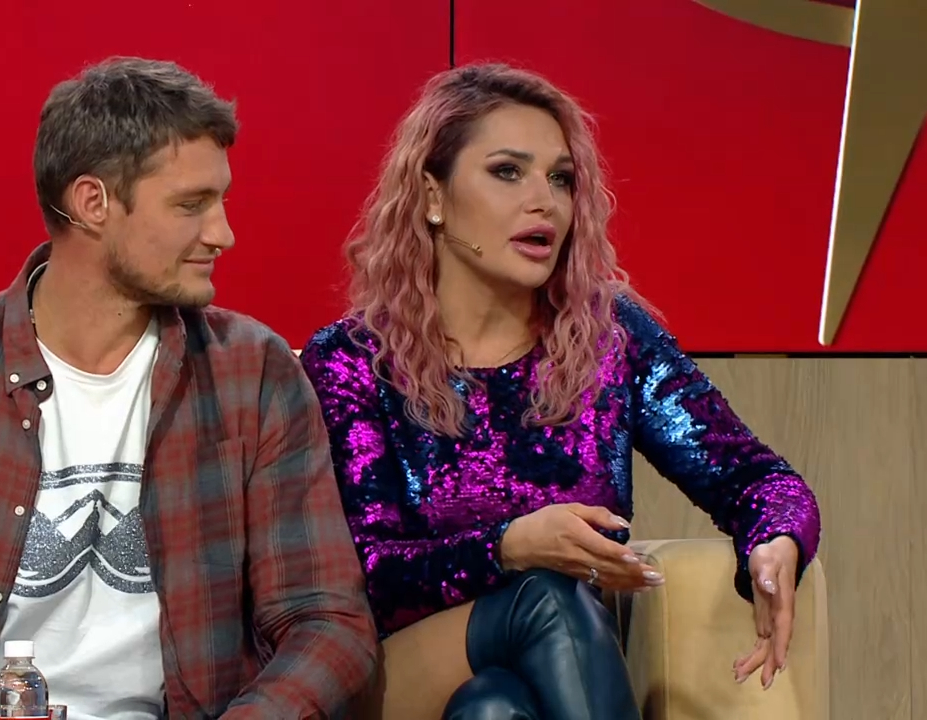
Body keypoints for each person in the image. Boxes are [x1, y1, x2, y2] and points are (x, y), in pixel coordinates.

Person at [0, 56, 377, 720]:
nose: (223, 234)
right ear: (92, 203)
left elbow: (326, 621)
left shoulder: (253, 372)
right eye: (191, 205)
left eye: (221, 202)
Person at [298, 63, 821, 720]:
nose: (543, 201)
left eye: (561, 179)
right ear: (433, 195)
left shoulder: (608, 339)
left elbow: (759, 480)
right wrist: (509, 547)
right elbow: (362, 575)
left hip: (550, 680)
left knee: (494, 708)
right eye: (507, 172)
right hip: (401, 673)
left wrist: (776, 539)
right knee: (548, 595)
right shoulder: (353, 359)